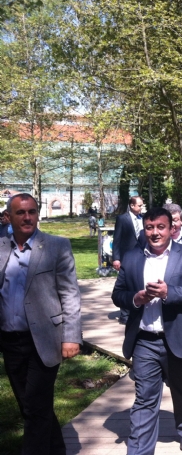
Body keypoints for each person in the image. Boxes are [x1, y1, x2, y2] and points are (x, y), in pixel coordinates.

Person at [111, 207, 182, 453]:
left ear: (171, 228)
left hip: (179, 338)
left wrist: (168, 293)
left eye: (160, 227)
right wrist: (136, 299)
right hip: (144, 340)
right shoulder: (131, 258)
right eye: (149, 227)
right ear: (144, 229)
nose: (155, 233)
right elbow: (118, 294)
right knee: (144, 399)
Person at [0, 193, 82, 455]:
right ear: (8, 217)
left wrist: (71, 336)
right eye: (21, 213)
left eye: (32, 212)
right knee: (32, 406)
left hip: (45, 339)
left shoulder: (57, 246)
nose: (27, 217)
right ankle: (57, 450)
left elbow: (70, 294)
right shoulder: (1, 247)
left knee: (35, 406)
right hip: (10, 340)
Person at [112, 196, 144, 324]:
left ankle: (137, 311)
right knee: (125, 285)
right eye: (140, 205)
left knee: (138, 283)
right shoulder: (122, 219)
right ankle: (124, 315)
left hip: (141, 256)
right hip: (126, 257)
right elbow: (117, 239)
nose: (141, 207)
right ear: (132, 205)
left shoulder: (143, 219)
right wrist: (116, 258)